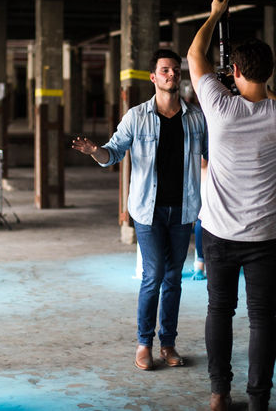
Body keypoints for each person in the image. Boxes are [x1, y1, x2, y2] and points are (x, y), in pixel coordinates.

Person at [186, 0, 276, 411]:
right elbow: (270, 98)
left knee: (220, 310)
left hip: (218, 232)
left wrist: (216, 12)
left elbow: (194, 54)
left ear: (233, 72)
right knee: (263, 319)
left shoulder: (220, 107)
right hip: (269, 237)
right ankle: (259, 401)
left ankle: (219, 394)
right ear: (271, 73)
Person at [72, 49, 208, 371]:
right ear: (153, 77)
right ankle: (144, 343)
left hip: (184, 209)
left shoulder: (196, 118)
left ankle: (168, 343)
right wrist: (96, 151)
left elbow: (214, 153)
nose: (172, 75)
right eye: (165, 70)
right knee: (154, 275)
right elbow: (113, 153)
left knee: (174, 278)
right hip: (148, 211)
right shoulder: (136, 116)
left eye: (176, 70)